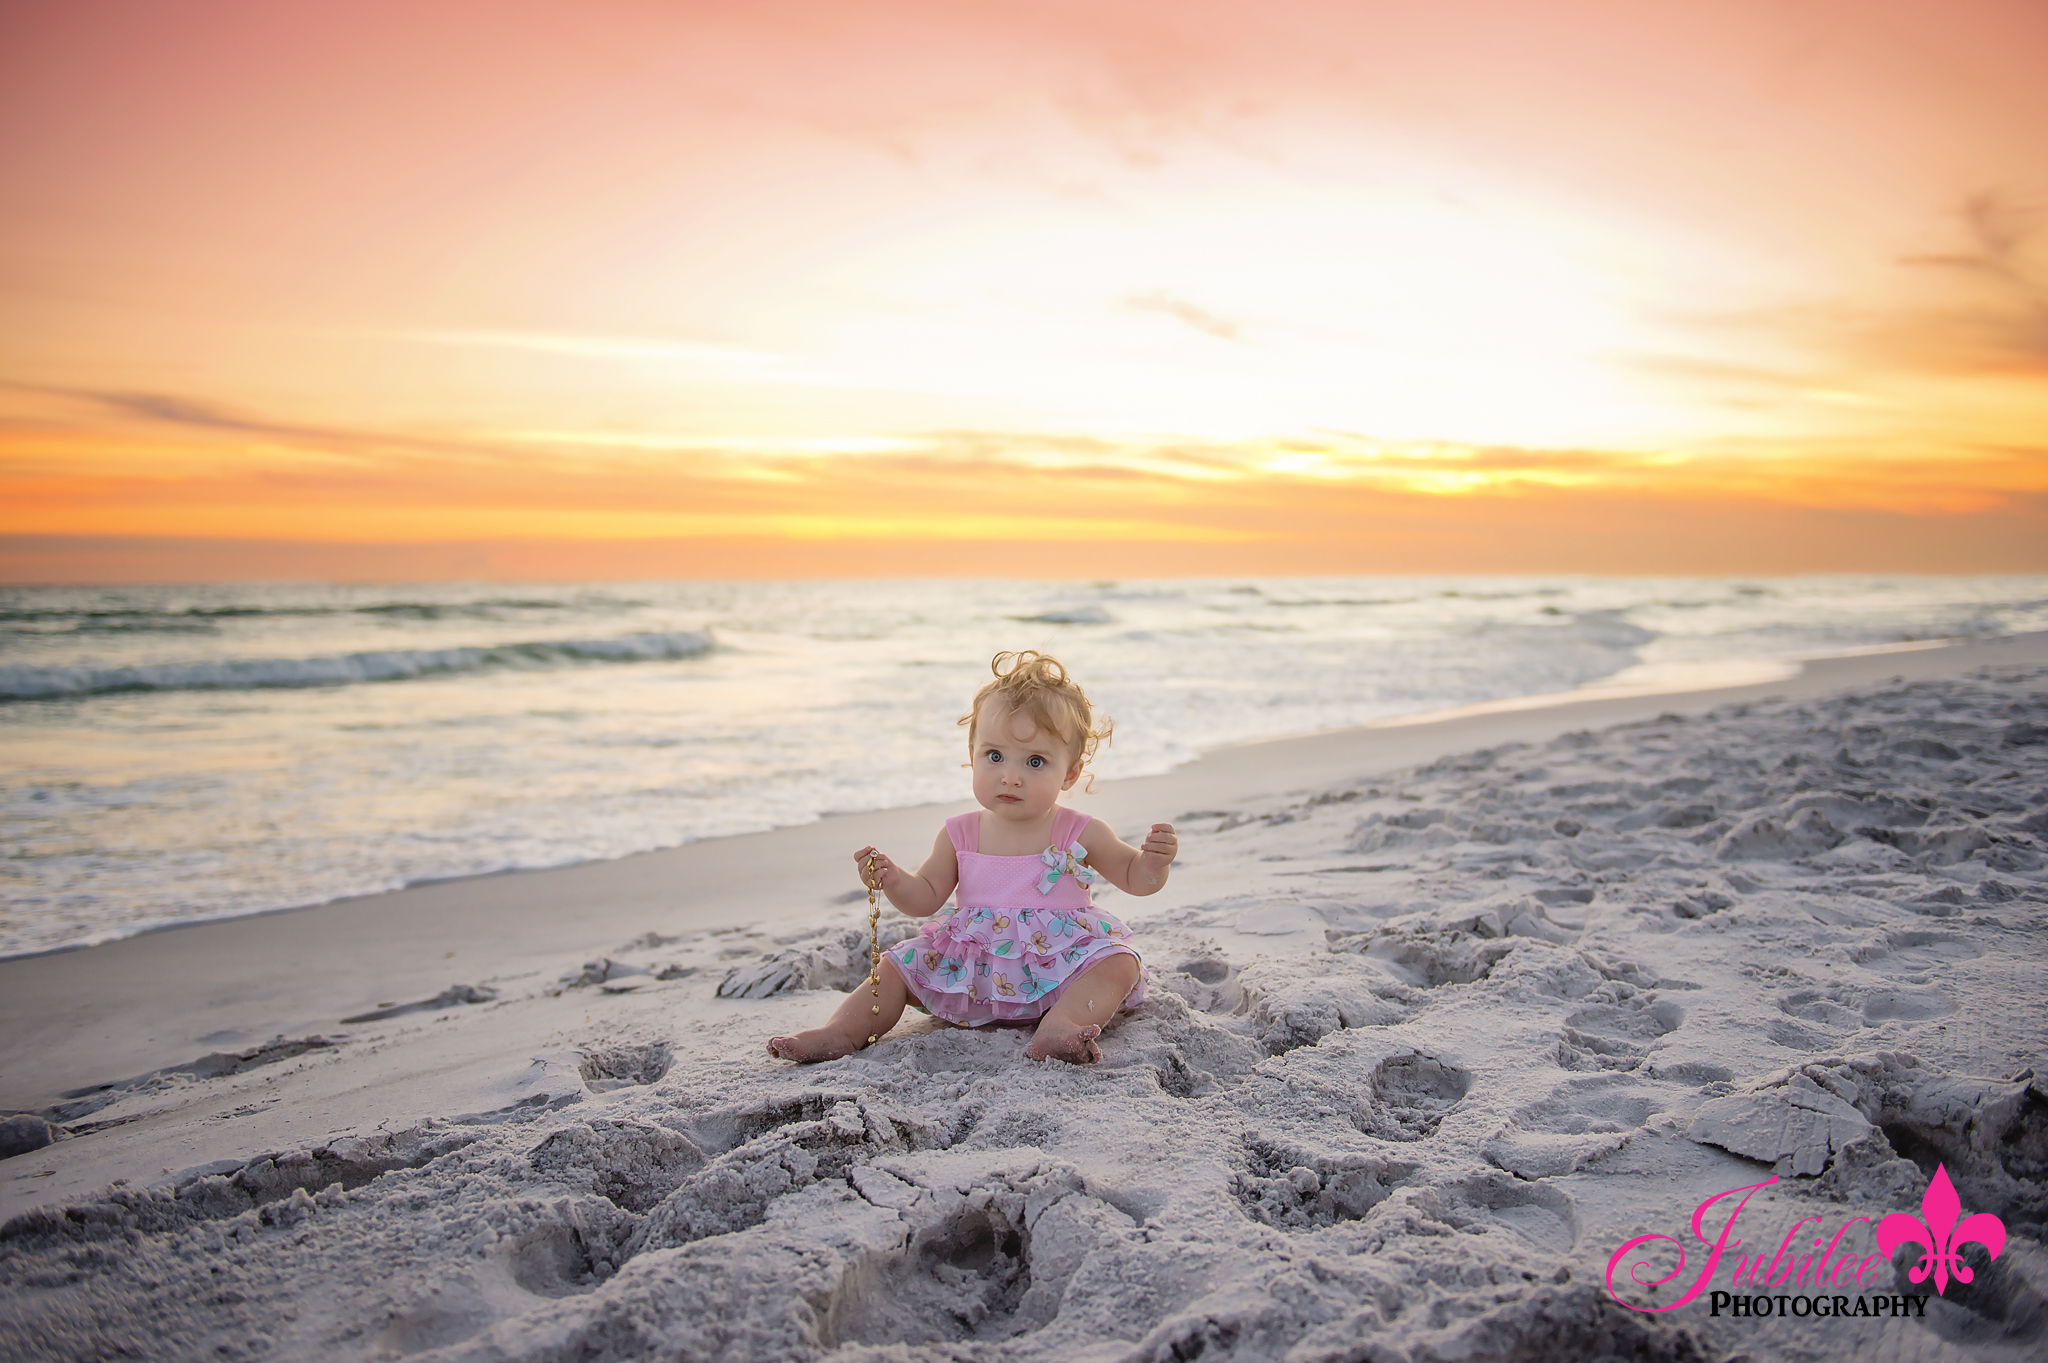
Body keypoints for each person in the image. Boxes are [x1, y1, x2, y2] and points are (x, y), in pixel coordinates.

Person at [769, 650, 1177, 1065]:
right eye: (994, 756)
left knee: (1118, 963)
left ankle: (1061, 1026)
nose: (1010, 776)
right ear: (972, 751)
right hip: (972, 971)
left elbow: (1135, 878)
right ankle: (841, 1031)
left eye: (1035, 762)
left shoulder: (1079, 830)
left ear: (1070, 772)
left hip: (1058, 966)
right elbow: (925, 897)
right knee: (895, 967)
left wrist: (1153, 864)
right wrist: (893, 880)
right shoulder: (959, 833)